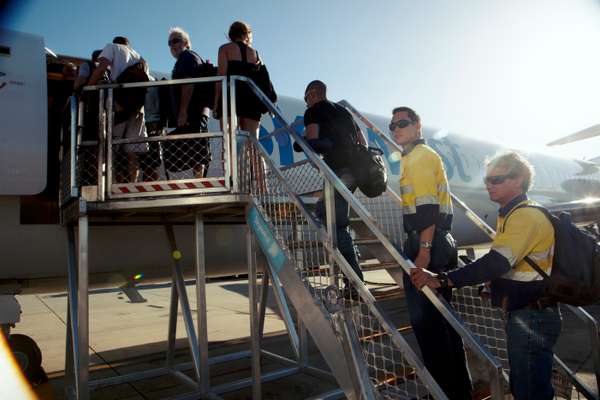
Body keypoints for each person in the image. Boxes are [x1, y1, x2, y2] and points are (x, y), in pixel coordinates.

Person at [411, 151, 560, 400]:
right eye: (487, 180)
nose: (489, 185)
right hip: (525, 313)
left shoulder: (526, 215)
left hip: (533, 316)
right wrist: (496, 283)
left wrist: (442, 279)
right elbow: (512, 262)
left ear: (519, 179)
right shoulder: (510, 214)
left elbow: (496, 262)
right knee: (526, 385)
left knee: (530, 390)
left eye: (497, 179)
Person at [390, 106, 472, 398]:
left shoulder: (419, 157)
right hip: (435, 241)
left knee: (429, 326)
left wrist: (423, 252)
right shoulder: (417, 156)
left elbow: (427, 209)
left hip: (428, 243)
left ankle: (445, 391)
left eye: (402, 123)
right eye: (393, 125)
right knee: (441, 323)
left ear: (417, 125)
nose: (396, 128)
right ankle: (455, 389)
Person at [299, 80, 367, 288]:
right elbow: (362, 142)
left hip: (336, 172)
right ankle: (351, 273)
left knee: (333, 223)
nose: (306, 102)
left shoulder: (313, 112)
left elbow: (311, 142)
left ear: (313, 94)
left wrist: (307, 148)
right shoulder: (343, 111)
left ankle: (354, 282)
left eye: (306, 97)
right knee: (330, 216)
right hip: (354, 172)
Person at [87, 36, 149, 183]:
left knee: (109, 146)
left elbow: (102, 68)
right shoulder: (140, 57)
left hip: (119, 105)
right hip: (138, 107)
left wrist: (88, 87)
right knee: (132, 150)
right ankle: (133, 184)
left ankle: (105, 184)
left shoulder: (112, 47)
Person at [166, 27, 211, 178]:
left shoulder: (187, 57)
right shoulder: (188, 58)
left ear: (185, 42)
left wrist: (183, 111)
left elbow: (188, 84)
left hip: (192, 112)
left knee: (197, 152)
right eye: (169, 43)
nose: (172, 45)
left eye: (175, 40)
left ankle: (199, 186)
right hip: (195, 112)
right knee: (195, 150)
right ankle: (199, 184)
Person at [214, 20, 265, 137]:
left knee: (229, 143)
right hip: (251, 99)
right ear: (246, 34)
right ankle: (254, 156)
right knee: (252, 144)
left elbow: (221, 76)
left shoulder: (225, 49)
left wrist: (216, 103)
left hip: (231, 96)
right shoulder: (255, 53)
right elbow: (262, 78)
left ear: (231, 34)